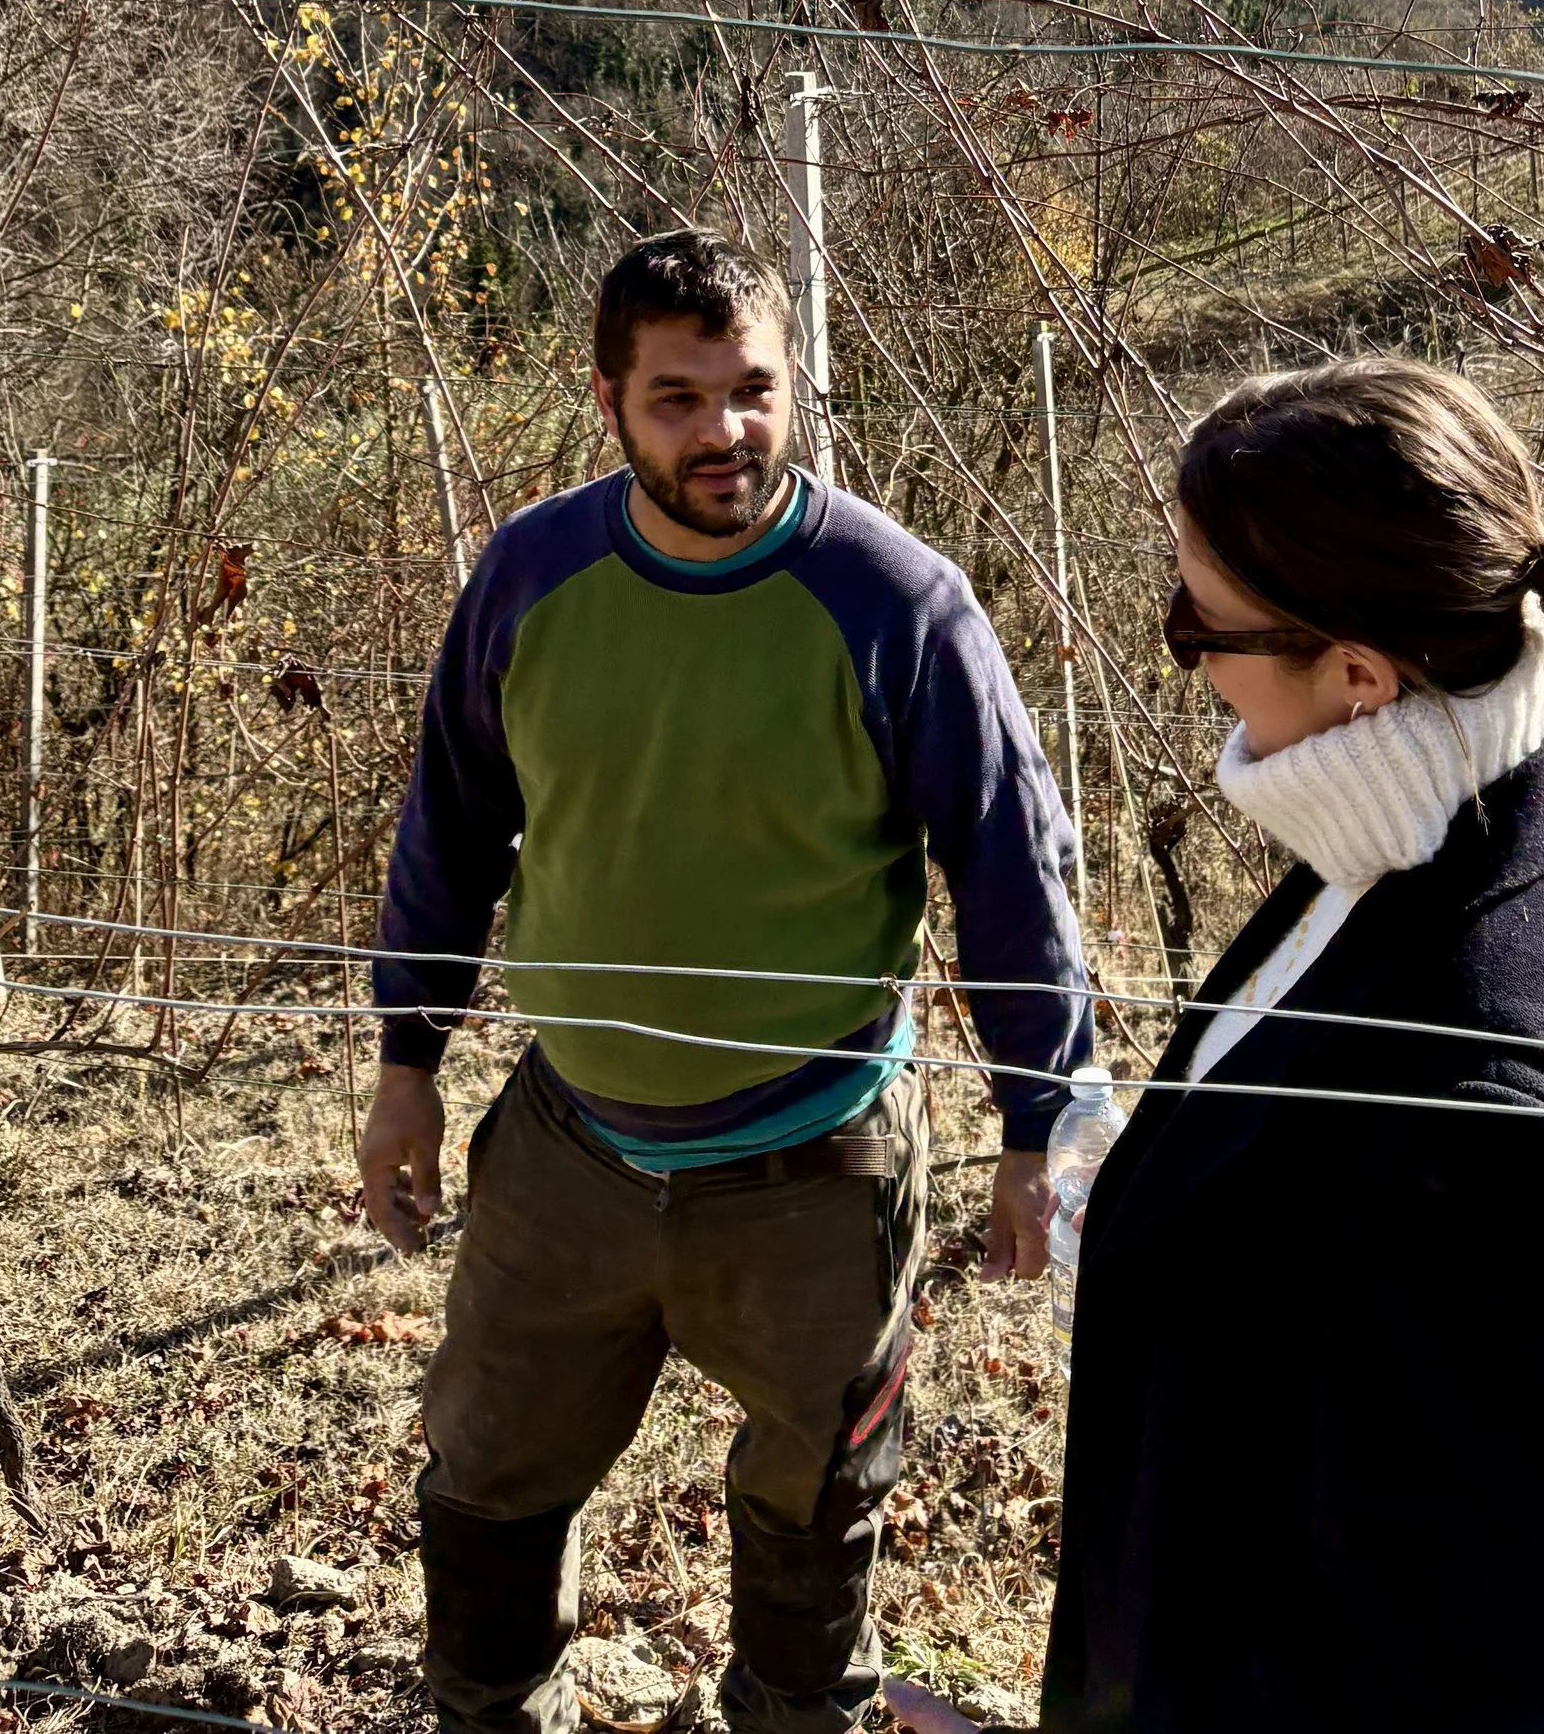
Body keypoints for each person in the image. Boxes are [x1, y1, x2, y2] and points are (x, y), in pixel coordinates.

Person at [363, 230, 1092, 1734]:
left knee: (817, 1491)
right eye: (679, 396)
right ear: (611, 399)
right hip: (571, 1147)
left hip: (816, 1164)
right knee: (487, 1473)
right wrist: (406, 1057)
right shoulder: (532, 573)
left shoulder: (898, 602)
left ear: (795, 384)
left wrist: (1040, 1128)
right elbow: (450, 824)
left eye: (753, 389)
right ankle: (488, 1712)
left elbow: (1015, 871)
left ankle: (790, 1718)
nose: (724, 431)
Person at [1041, 357, 1544, 1734]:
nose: (1181, 650)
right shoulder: (1506, 795)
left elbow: (1481, 1688)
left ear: (1361, 671)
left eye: (1204, 624)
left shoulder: (1486, 1110)